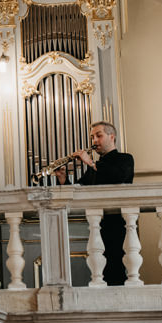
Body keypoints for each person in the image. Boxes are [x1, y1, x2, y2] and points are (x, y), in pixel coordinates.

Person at [54, 121, 133, 285]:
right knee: (100, 268)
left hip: (119, 223)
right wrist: (63, 179)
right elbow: (78, 190)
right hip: (98, 224)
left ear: (112, 137)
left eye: (99, 135)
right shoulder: (94, 168)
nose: (94, 140)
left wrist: (90, 163)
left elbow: (118, 177)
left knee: (117, 266)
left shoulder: (125, 159)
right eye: (92, 137)